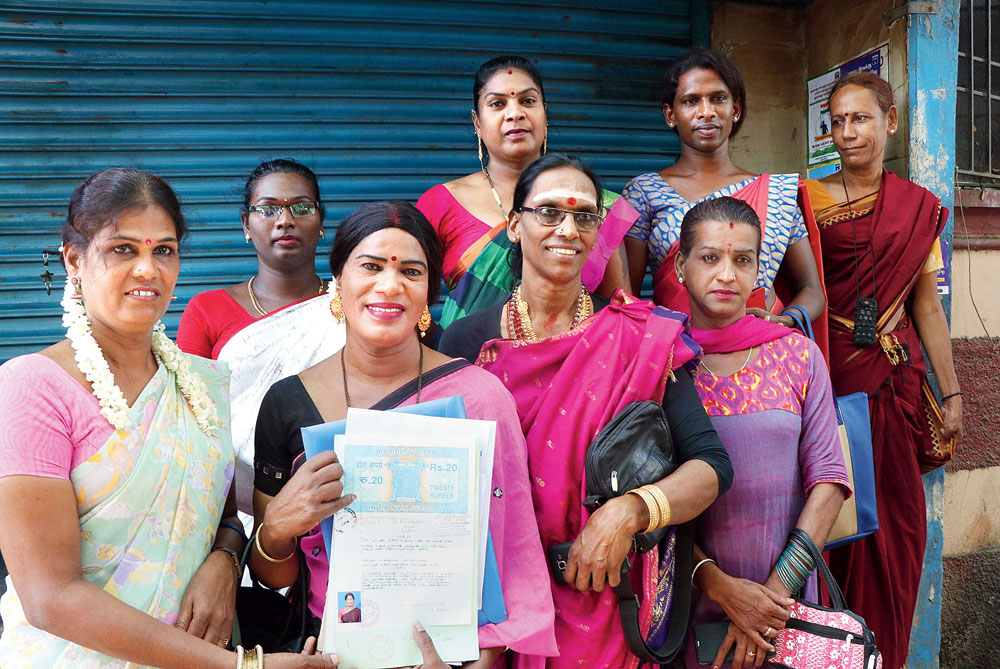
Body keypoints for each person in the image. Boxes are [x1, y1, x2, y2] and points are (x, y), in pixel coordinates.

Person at [0, 168, 333, 669]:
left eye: (163, 250)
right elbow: (50, 597)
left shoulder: (204, 383)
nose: (147, 269)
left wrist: (224, 559)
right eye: (122, 249)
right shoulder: (32, 387)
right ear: (74, 258)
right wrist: (245, 667)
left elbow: (222, 514)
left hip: (205, 649)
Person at [440, 154, 734, 668]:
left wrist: (631, 511)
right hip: (493, 610)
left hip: (608, 607)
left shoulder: (639, 335)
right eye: (548, 212)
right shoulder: (467, 340)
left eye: (584, 216)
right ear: (515, 225)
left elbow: (711, 466)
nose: (567, 229)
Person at [249, 201, 558, 666]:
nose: (389, 285)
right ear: (338, 280)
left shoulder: (478, 396)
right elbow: (276, 577)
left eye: (411, 272)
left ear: (429, 291)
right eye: (370, 266)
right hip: (327, 652)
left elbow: (509, 558)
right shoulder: (286, 402)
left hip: (450, 655)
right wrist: (275, 530)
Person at [804, 72, 963, 669]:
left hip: (892, 385)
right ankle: (835, 654)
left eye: (861, 119)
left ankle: (885, 656)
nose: (848, 133)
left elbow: (925, 303)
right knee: (838, 529)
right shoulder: (807, 202)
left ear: (890, 122)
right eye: (838, 122)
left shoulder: (916, 209)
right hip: (830, 386)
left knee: (897, 535)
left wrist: (951, 391)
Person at [673, 197, 850, 669]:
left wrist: (770, 602)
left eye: (742, 260)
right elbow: (654, 500)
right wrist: (723, 589)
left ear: (758, 271)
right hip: (693, 607)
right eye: (710, 258)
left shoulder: (798, 355)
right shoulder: (662, 365)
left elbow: (830, 482)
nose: (727, 275)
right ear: (680, 267)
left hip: (788, 607)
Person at [623, 48, 828, 355]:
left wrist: (783, 321)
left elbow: (812, 290)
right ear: (670, 114)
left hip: (767, 356)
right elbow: (626, 297)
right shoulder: (642, 193)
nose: (706, 111)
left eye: (718, 98)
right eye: (691, 101)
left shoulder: (778, 193)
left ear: (735, 108)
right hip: (680, 360)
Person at [177, 159, 345, 519]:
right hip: (228, 504)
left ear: (320, 224)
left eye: (301, 207)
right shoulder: (207, 310)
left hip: (337, 489)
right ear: (246, 226)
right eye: (267, 209)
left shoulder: (349, 305)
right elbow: (189, 422)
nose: (285, 220)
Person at [417, 54, 637, 329]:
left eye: (527, 101)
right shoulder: (440, 204)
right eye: (497, 103)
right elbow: (412, 303)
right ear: (477, 121)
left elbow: (621, 316)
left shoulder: (594, 206)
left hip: (577, 364)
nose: (515, 113)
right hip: (470, 361)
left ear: (545, 113)